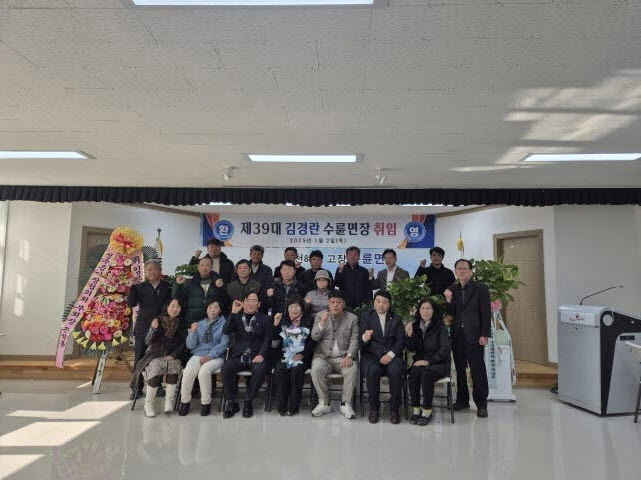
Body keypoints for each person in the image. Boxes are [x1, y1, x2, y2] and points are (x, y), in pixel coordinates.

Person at [445, 258, 491, 418]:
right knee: (460, 370)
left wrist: (485, 334)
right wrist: (448, 300)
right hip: (457, 335)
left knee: (478, 370)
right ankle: (462, 400)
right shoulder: (451, 289)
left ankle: (481, 404)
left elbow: (486, 313)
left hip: (475, 335)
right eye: (459, 268)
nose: (462, 271)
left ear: (471, 271)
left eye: (465, 268)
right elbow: (451, 312)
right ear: (455, 272)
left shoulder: (481, 288)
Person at [130, 299, 186, 418]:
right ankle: (148, 404)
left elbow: (183, 344)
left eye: (178, 307)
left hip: (173, 354)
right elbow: (147, 341)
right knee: (157, 366)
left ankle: (169, 402)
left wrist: (174, 355)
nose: (175, 309)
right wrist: (153, 329)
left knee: (174, 365)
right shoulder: (157, 320)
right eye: (172, 306)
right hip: (155, 354)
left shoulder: (182, 323)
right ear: (167, 307)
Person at [221, 292, 273, 418]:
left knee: (260, 369)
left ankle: (248, 401)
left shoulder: (266, 319)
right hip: (239, 355)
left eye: (254, 300)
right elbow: (226, 330)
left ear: (259, 304)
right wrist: (233, 312)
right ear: (243, 303)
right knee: (226, 367)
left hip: (256, 356)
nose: (251, 303)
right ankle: (232, 402)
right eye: (248, 300)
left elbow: (268, 339)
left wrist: (261, 355)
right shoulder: (237, 317)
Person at [126, 260, 172, 400]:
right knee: (139, 357)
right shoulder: (139, 287)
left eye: (155, 269)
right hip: (143, 327)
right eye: (149, 270)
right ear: (145, 272)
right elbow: (131, 303)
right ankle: (137, 388)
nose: (152, 272)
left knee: (158, 357)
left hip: (161, 327)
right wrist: (132, 287)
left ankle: (157, 386)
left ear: (160, 271)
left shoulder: (167, 287)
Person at [310, 291, 359, 419]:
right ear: (328, 303)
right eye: (332, 302)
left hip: (343, 357)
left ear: (344, 304)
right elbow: (314, 337)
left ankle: (346, 404)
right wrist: (322, 323)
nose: (335, 305)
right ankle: (324, 403)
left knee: (352, 369)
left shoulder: (352, 318)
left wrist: (349, 355)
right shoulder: (320, 315)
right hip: (323, 357)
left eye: (338, 302)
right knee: (316, 369)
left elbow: (355, 339)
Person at [359, 290, 405, 424]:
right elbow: (363, 341)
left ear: (389, 304)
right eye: (378, 301)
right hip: (373, 356)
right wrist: (365, 337)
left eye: (384, 302)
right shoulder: (366, 317)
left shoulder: (396, 318)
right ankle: (374, 408)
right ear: (374, 303)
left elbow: (400, 341)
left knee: (396, 371)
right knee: (373, 371)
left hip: (392, 356)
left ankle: (394, 409)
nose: (381, 305)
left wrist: (389, 355)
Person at [178, 298, 229, 417]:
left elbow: (224, 344)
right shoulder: (199, 324)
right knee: (189, 371)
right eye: (210, 307)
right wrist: (193, 332)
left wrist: (210, 356)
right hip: (198, 354)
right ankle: (185, 402)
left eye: (215, 307)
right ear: (206, 310)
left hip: (216, 356)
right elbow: (190, 345)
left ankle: (206, 403)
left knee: (203, 372)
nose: (212, 310)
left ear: (220, 310)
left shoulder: (225, 324)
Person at [405, 297, 451, 425]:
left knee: (426, 375)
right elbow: (412, 348)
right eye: (423, 308)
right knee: (413, 374)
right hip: (421, 362)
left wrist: (428, 361)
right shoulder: (416, 326)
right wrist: (409, 335)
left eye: (428, 308)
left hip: (439, 363)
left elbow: (445, 350)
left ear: (433, 310)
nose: (425, 311)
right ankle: (416, 410)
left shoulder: (440, 326)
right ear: (419, 311)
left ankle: (426, 411)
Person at [272, 297, 315, 416]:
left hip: (302, 356)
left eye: (296, 306)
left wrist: (302, 355)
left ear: (302, 308)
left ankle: (294, 406)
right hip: (285, 355)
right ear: (287, 309)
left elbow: (312, 342)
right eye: (290, 307)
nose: (293, 309)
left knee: (296, 370)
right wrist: (276, 324)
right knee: (280, 369)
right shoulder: (283, 319)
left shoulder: (309, 319)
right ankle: (281, 405)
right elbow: (275, 340)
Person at [172, 256, 227, 326]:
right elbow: (176, 298)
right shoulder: (189, 283)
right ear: (198, 267)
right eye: (202, 265)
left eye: (207, 265)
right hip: (193, 322)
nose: (204, 268)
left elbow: (224, 301)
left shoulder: (218, 283)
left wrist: (221, 287)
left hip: (213, 322)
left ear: (211, 267)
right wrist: (178, 285)